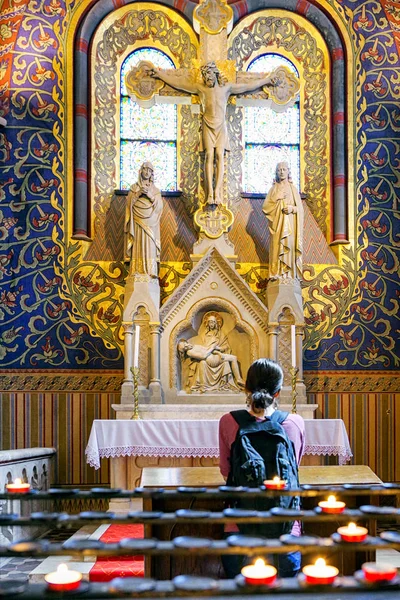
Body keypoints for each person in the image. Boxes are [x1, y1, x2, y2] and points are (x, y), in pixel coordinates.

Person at [219, 358, 305, 578]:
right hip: (285, 524)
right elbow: (295, 467)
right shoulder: (294, 422)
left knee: (238, 587)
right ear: (278, 392)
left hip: (240, 522)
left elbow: (226, 470)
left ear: (246, 387)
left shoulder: (228, 421)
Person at [151, 62, 279, 206]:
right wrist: (160, 75)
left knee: (219, 155)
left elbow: (247, 87)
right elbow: (180, 84)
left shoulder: (227, 88)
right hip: (207, 124)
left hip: (220, 126)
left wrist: (267, 80)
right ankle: (209, 193)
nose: (207, 78)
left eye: (210, 74)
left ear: (216, 74)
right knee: (209, 156)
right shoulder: (200, 89)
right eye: (205, 76)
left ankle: (217, 192)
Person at [177, 312, 245, 393]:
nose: (211, 324)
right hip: (210, 357)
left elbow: (226, 347)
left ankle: (238, 379)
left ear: (216, 323)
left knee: (232, 358)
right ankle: (238, 379)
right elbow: (205, 352)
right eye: (209, 322)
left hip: (214, 354)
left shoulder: (221, 334)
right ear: (207, 323)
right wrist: (213, 348)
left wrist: (218, 349)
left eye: (213, 322)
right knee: (205, 362)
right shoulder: (204, 336)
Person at [262, 161, 304, 280]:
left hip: (290, 224)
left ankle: (289, 274)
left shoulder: (293, 189)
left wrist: (292, 208)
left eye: (284, 169)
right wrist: (276, 197)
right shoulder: (273, 189)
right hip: (277, 225)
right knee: (276, 247)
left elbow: (300, 210)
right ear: (276, 173)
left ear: (288, 171)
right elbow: (265, 207)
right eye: (279, 170)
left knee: (289, 245)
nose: (281, 172)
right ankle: (276, 273)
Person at [124, 162, 163, 277]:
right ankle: (137, 270)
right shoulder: (134, 188)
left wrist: (150, 196)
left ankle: (150, 272)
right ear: (141, 171)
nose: (147, 172)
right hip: (136, 220)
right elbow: (129, 204)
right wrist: (138, 194)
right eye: (145, 169)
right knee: (138, 243)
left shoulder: (156, 190)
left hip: (151, 221)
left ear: (152, 174)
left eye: (149, 170)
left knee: (150, 245)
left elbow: (159, 206)